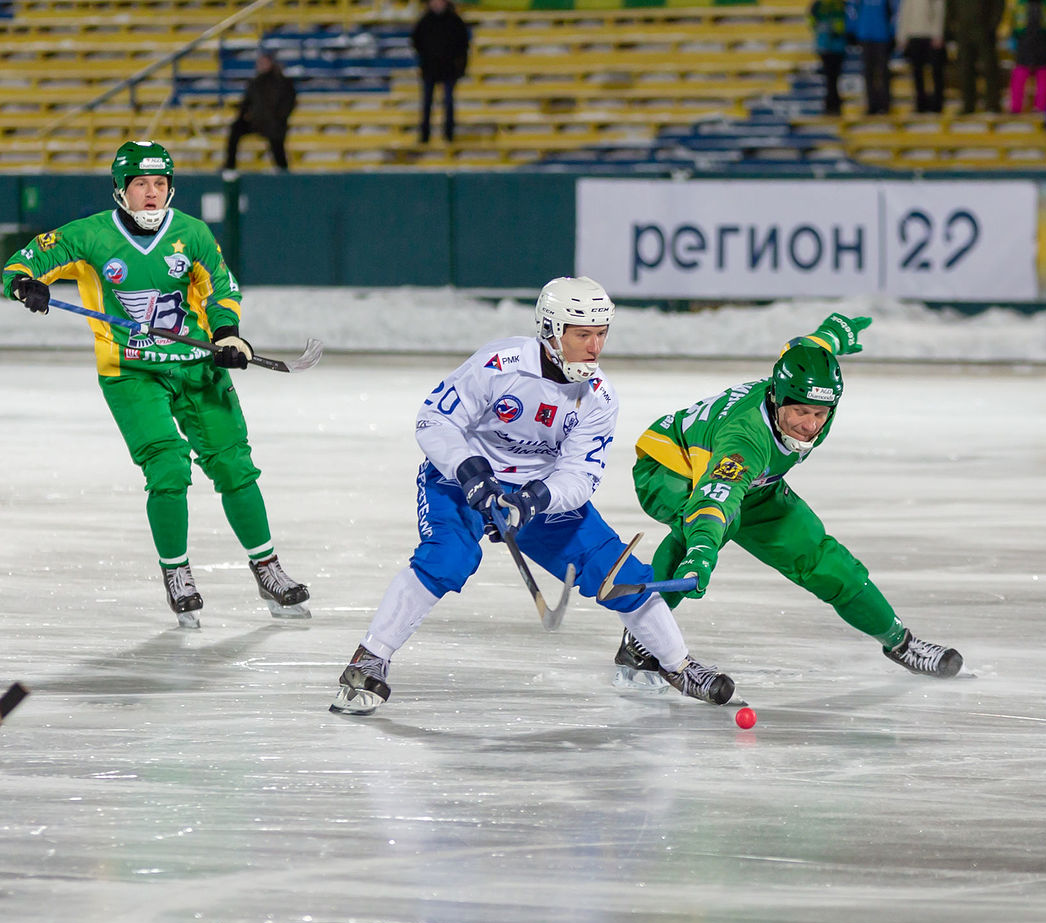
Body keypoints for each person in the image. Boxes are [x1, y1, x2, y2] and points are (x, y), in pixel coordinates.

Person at [330, 277, 734, 715]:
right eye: (582, 334)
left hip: (536, 493)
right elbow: (435, 420)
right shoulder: (498, 365)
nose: (595, 347)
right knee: (449, 558)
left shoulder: (599, 398)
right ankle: (369, 657)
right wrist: (470, 471)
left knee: (616, 569)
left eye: (601, 334)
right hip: (460, 479)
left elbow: (580, 476)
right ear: (550, 331)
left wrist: (533, 499)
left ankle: (678, 665)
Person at [1, 140, 309, 628]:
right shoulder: (88, 235)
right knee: (168, 468)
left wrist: (227, 334)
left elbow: (221, 288)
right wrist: (24, 284)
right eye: (140, 183)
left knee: (234, 465)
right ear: (121, 189)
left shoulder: (191, 233)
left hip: (196, 366)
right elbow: (21, 263)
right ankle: (177, 573)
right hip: (131, 373)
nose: (151, 193)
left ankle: (267, 567)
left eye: (159, 183)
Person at [614, 314, 963, 685]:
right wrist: (701, 550)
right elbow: (714, 500)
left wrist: (831, 335)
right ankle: (642, 639)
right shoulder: (746, 439)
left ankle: (901, 643)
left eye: (819, 413)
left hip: (754, 482)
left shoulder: (804, 384)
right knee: (709, 527)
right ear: (777, 398)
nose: (810, 425)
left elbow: (804, 348)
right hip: (670, 468)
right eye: (799, 411)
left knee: (822, 558)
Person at [223, 51, 297, 172]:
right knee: (236, 128)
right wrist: (241, 113)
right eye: (259, 63)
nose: (261, 66)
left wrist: (279, 118)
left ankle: (283, 172)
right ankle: (229, 166)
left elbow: (289, 103)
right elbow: (247, 102)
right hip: (256, 122)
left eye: (263, 63)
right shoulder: (255, 82)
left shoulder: (282, 82)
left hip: (274, 123)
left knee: (277, 145)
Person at [410, 0, 471, 144]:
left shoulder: (455, 21)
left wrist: (459, 66)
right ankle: (425, 135)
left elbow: (463, 44)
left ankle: (449, 134)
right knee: (427, 103)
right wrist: (425, 58)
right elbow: (416, 41)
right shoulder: (424, 21)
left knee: (448, 102)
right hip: (429, 69)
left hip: (449, 69)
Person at [949, 0, 1004, 113]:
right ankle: (968, 105)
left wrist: (992, 25)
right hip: (963, 30)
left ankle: (992, 104)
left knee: (989, 68)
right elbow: (950, 6)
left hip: (984, 30)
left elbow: (998, 5)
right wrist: (952, 26)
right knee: (965, 69)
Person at [1008, 0, 1046, 115]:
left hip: (1043, 46)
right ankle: (1015, 107)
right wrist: (1013, 36)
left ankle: (1041, 107)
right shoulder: (1021, 4)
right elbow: (1014, 22)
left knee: (1043, 78)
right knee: (1019, 77)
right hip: (1024, 46)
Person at [896, 0, 947, 113]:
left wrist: (938, 34)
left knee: (936, 71)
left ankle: (937, 104)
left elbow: (939, 10)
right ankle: (920, 104)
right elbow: (905, 13)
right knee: (917, 72)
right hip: (914, 35)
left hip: (930, 35)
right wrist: (902, 36)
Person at [851, 0, 898, 115]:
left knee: (883, 72)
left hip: (882, 36)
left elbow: (893, 13)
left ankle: (885, 105)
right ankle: (872, 105)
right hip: (865, 36)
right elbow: (853, 11)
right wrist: (854, 31)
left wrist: (892, 33)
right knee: (868, 72)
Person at [810, 0, 850, 115]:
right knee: (831, 77)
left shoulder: (834, 4)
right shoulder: (824, 4)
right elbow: (812, 20)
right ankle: (833, 105)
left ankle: (832, 105)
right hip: (831, 46)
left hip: (830, 45)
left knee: (832, 77)